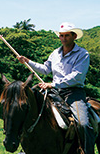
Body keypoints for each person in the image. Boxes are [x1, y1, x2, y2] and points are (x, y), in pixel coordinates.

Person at [17, 22, 95, 154]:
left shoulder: (83, 54)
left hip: (73, 92)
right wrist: (28, 61)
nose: (63, 38)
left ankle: (86, 151)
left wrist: (53, 84)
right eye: (61, 35)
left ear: (74, 36)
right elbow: (46, 69)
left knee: (83, 123)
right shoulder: (55, 53)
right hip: (54, 91)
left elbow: (77, 77)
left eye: (67, 35)